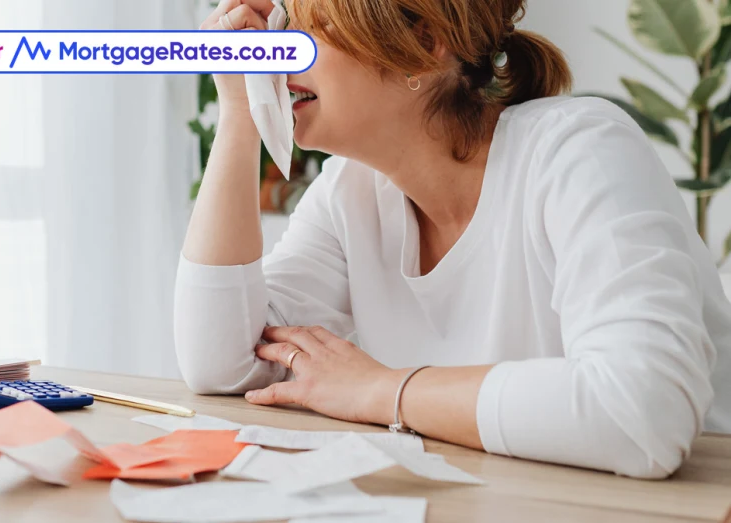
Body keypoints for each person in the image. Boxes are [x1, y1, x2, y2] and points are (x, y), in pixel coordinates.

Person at [175, 0, 731, 479]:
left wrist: (381, 391)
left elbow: (644, 415)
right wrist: (239, 116)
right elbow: (222, 362)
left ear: (425, 41)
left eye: (305, 25)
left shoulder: (579, 151)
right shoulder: (351, 193)